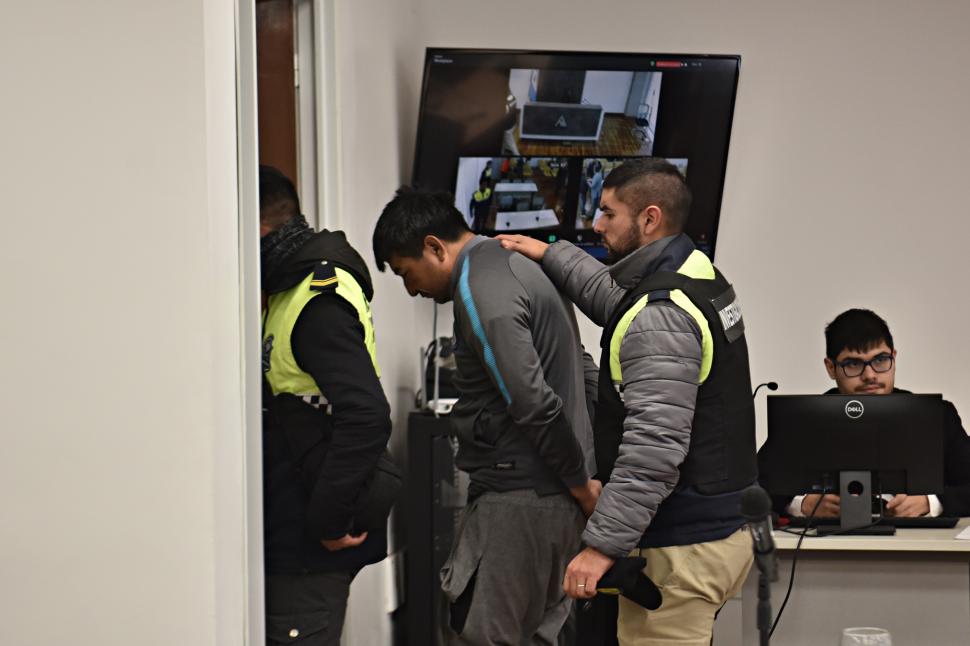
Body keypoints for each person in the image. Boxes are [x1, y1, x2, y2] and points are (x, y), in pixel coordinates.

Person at [499, 158, 757, 646]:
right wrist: (551, 253)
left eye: (607, 214)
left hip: (683, 547)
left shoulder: (663, 315)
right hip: (717, 531)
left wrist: (600, 548)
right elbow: (619, 301)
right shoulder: (694, 274)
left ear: (650, 219)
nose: (597, 224)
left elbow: (654, 449)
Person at [372, 187, 600, 645]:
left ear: (435, 246)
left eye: (405, 272)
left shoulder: (480, 288)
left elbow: (533, 402)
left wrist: (581, 485)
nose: (411, 287)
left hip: (518, 503)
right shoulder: (520, 267)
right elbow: (584, 370)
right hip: (553, 507)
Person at [260, 166, 393, 645]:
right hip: (293, 528)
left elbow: (367, 415)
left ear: (259, 228)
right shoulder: (288, 288)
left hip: (306, 541)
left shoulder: (316, 300)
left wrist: (329, 521)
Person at [772, 308, 970, 519]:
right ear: (831, 368)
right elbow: (753, 488)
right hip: (829, 547)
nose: (870, 375)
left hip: (916, 545)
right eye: (853, 364)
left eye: (880, 360)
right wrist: (801, 505)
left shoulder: (938, 417)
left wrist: (931, 503)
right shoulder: (803, 422)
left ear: (894, 358)